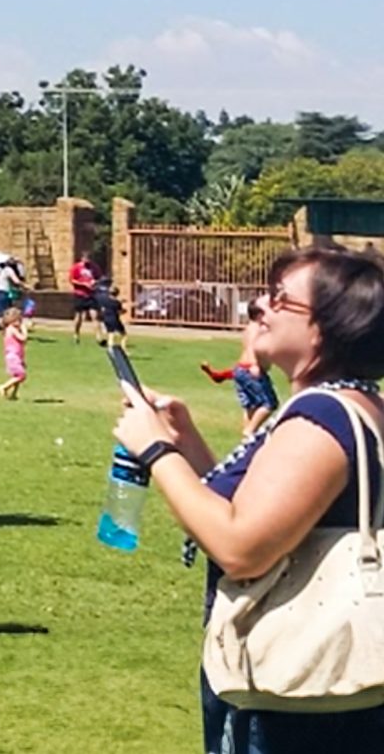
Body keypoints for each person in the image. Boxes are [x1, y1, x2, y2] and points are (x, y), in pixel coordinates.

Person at [113, 247, 384, 750]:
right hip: (318, 695)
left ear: (327, 328)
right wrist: (185, 442)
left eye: (280, 299)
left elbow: (241, 546)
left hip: (296, 698)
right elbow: (262, 512)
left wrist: (154, 450)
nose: (259, 306)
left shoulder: (319, 419)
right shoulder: (349, 403)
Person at [202, 302, 282, 434]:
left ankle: (246, 437)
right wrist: (255, 364)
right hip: (250, 369)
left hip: (240, 370)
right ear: (260, 314)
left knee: (250, 406)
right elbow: (251, 346)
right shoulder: (257, 328)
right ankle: (250, 431)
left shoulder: (248, 328)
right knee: (270, 403)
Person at [0, 304, 32, 400]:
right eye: (19, 320)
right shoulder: (12, 329)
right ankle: (4, 387)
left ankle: (13, 394)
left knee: (16, 376)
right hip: (13, 356)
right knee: (21, 375)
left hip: (17, 356)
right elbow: (23, 338)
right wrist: (25, 330)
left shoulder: (11, 329)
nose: (20, 322)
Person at [70, 255, 100, 342]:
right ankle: (76, 333)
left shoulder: (94, 267)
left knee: (95, 315)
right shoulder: (76, 267)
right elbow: (72, 280)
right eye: (85, 260)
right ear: (82, 259)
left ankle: (98, 337)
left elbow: (99, 278)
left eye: (89, 260)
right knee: (79, 316)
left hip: (91, 295)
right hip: (80, 294)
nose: (87, 262)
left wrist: (95, 282)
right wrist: (83, 284)